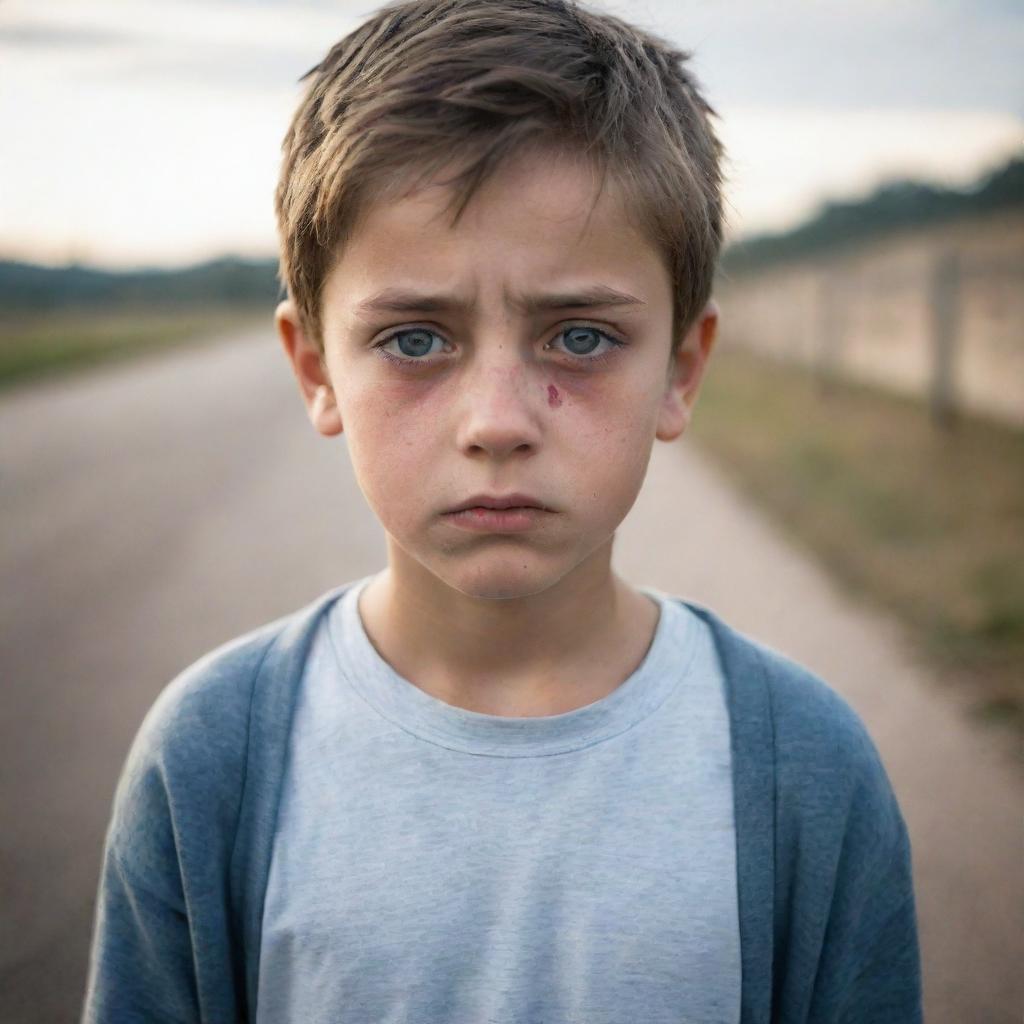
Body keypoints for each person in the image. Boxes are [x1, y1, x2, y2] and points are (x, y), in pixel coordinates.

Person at [81, 0, 922, 1021]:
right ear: (317, 369)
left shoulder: (802, 767)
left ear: (680, 369)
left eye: (577, 336)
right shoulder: (214, 756)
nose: (495, 423)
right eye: (414, 340)